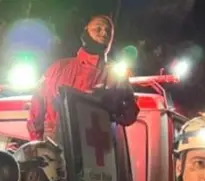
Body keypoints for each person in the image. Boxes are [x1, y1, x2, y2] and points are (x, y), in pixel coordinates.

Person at [27, 14, 138, 142]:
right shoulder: (58, 68)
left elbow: (130, 115)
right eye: (98, 28)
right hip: (57, 150)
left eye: (108, 31)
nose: (103, 33)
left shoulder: (116, 76)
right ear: (85, 32)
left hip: (97, 152)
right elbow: (36, 108)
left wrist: (114, 102)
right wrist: (37, 144)